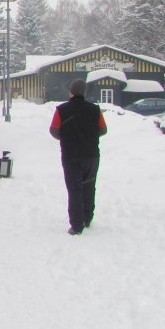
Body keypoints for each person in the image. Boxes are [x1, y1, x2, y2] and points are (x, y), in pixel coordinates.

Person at [49, 78, 107, 235]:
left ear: (71, 92)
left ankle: (76, 225)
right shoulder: (95, 110)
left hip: (70, 156)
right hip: (91, 155)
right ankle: (87, 218)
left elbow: (54, 130)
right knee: (89, 186)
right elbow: (103, 130)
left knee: (74, 189)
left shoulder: (62, 110)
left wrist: (66, 137)